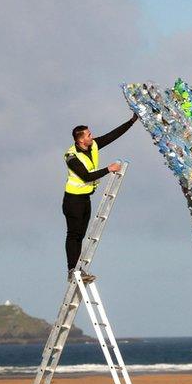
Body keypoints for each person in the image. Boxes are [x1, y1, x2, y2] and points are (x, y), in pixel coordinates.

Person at [63, 114, 139, 282]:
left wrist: (132, 121)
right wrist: (108, 169)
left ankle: (78, 269)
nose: (92, 136)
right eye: (89, 135)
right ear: (81, 140)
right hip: (72, 200)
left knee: (81, 235)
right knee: (74, 235)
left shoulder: (93, 145)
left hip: (85, 199)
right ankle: (72, 270)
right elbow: (85, 176)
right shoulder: (71, 156)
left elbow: (112, 136)